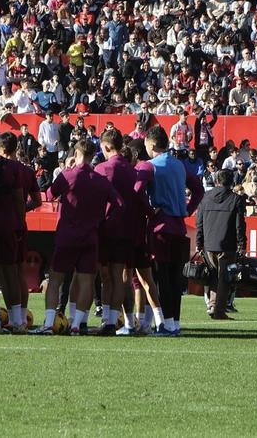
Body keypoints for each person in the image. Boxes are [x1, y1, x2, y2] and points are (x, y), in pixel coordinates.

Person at [35, 139, 111, 335]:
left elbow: (50, 193)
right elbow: (119, 205)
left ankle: (50, 323)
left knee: (55, 280)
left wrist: (67, 170)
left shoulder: (68, 175)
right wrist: (101, 221)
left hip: (67, 236)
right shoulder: (100, 180)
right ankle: (77, 324)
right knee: (87, 281)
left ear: (76, 155)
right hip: (90, 237)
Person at [144, 125, 204, 336]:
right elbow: (199, 189)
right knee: (175, 279)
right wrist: (187, 209)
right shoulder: (179, 165)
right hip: (179, 228)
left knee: (162, 278)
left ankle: (168, 324)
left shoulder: (150, 165)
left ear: (151, 144)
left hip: (160, 226)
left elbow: (136, 191)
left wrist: (148, 211)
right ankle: (175, 323)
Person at [0, 128, 39, 335]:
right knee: (11, 273)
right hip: (8, 226)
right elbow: (19, 200)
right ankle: (17, 322)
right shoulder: (14, 167)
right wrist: (19, 222)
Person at [96, 128, 148, 335]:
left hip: (107, 228)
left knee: (101, 275)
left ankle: (104, 319)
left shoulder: (103, 169)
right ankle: (113, 322)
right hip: (128, 230)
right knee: (119, 277)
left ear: (106, 147)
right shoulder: (133, 170)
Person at [195, 168, 246, 320]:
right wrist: (242, 243)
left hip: (209, 243)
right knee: (224, 278)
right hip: (227, 243)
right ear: (231, 182)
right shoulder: (236, 199)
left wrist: (199, 241)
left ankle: (212, 305)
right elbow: (240, 225)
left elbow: (199, 222)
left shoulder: (206, 197)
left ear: (217, 181)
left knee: (213, 276)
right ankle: (219, 310)